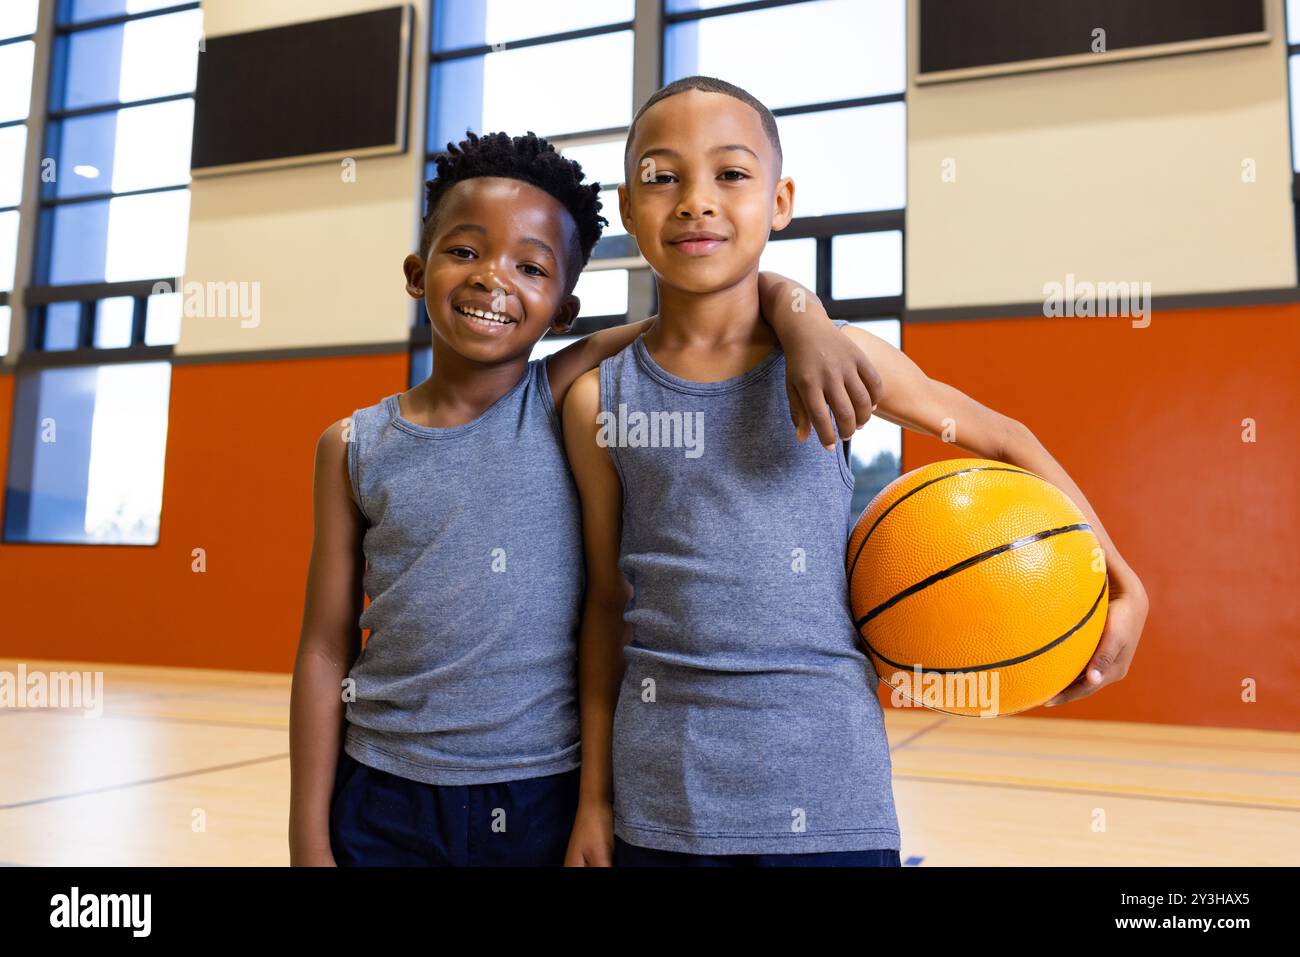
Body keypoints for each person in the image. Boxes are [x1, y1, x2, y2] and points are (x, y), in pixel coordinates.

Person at [562, 76, 1149, 867]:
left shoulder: (842, 358)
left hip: (832, 787)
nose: (695, 200)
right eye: (662, 176)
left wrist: (1119, 578)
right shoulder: (602, 395)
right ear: (629, 210)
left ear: (780, 200)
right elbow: (605, 604)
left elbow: (1005, 439)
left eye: (731, 174)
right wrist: (593, 802)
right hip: (664, 795)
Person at [288, 129, 885, 866]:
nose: (492, 279)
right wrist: (306, 838)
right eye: (465, 251)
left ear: (563, 311)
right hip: (383, 789)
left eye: (530, 266)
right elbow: (323, 648)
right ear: (417, 272)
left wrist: (802, 315)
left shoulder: (566, 395)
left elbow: (711, 306)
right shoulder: (352, 445)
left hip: (545, 793)